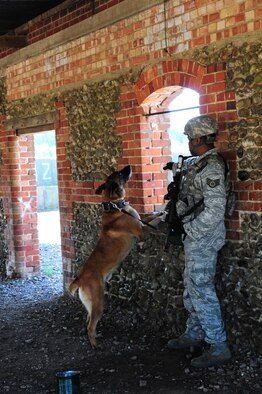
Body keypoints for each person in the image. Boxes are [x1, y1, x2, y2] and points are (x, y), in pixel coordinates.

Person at [166, 115, 232, 368]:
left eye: (190, 138)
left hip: (203, 236)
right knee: (191, 285)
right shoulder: (199, 163)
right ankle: (194, 333)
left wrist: (191, 229)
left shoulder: (212, 166)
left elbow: (216, 209)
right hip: (195, 235)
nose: (189, 143)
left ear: (198, 138)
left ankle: (218, 345)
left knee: (201, 288)